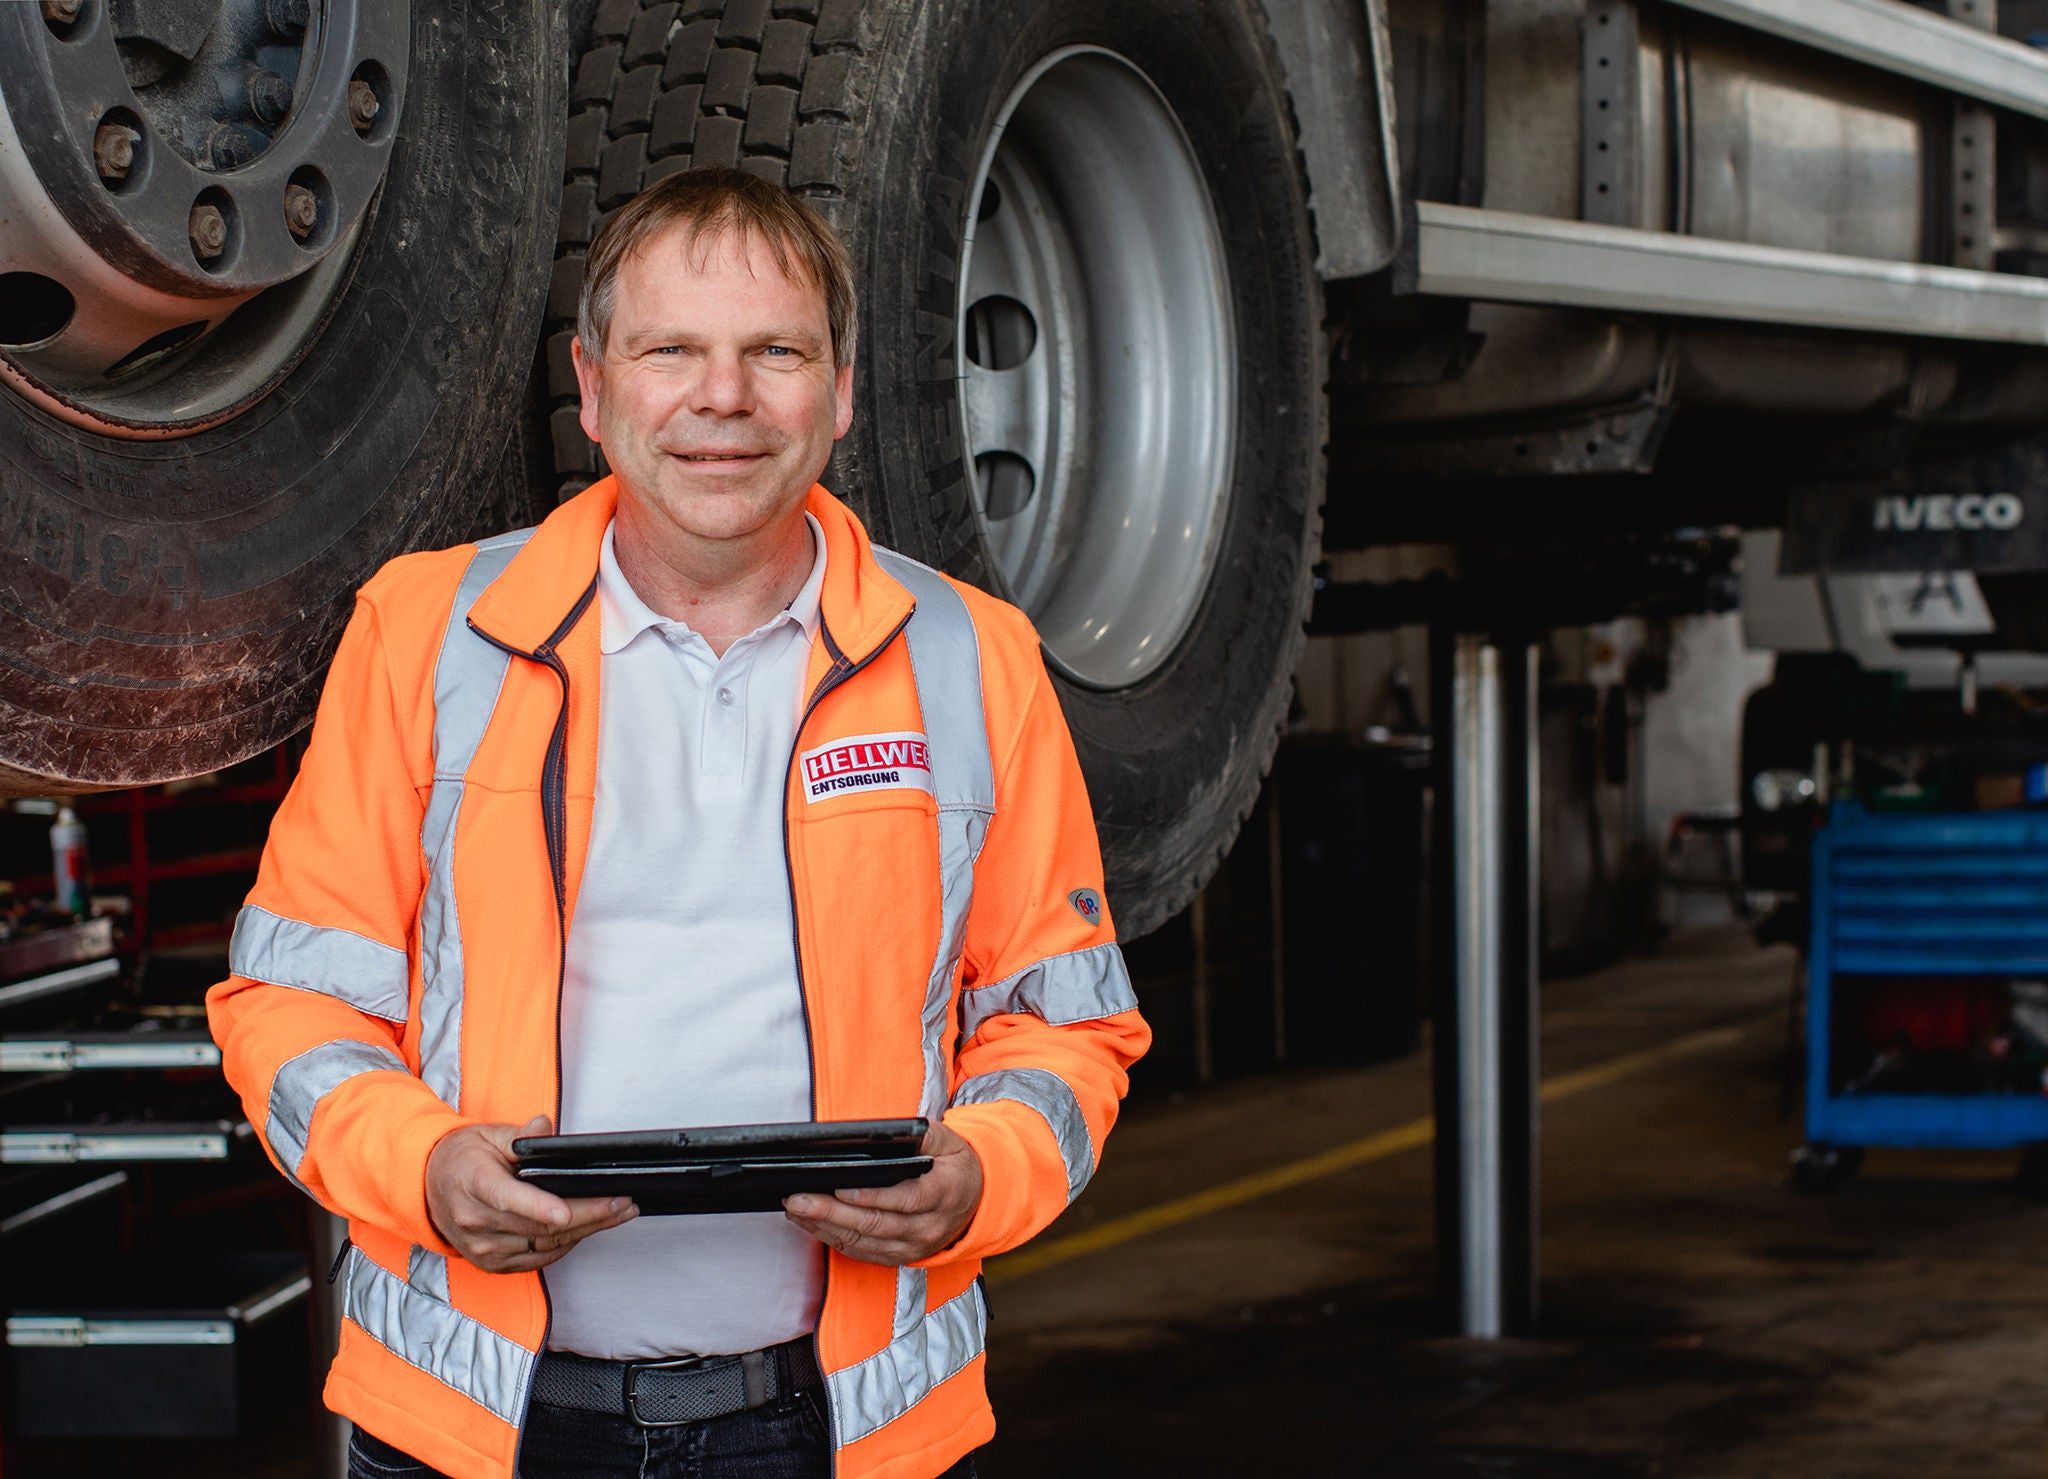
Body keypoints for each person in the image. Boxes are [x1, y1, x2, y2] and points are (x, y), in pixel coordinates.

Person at [207, 167, 1150, 1479]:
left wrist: (982, 1173)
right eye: (672, 352)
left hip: (845, 1431)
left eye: (775, 350)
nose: (724, 397)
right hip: (478, 1433)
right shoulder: (425, 637)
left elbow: (1065, 1020)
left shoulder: (971, 659)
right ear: (592, 388)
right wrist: (422, 1169)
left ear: (842, 388)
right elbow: (290, 1006)